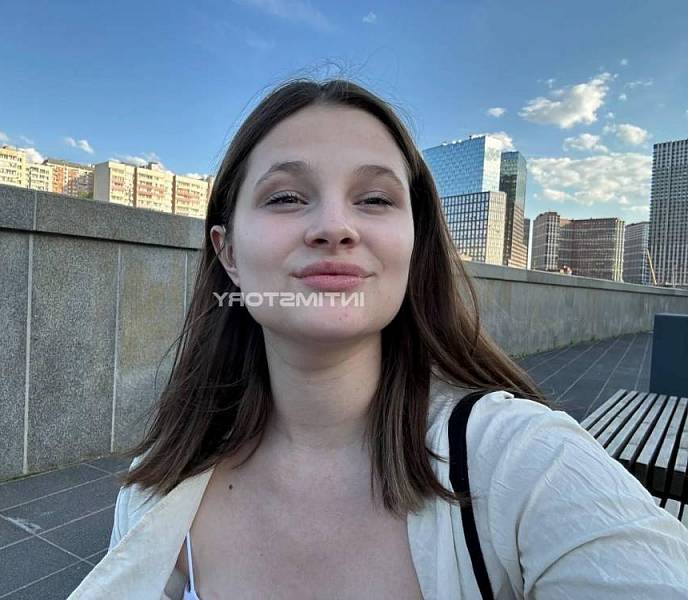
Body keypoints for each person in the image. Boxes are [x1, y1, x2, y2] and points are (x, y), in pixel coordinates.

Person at [69, 78, 688, 599]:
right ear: (227, 253)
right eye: (286, 196)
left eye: (373, 199)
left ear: (415, 244)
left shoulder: (523, 461)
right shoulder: (153, 492)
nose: (334, 227)